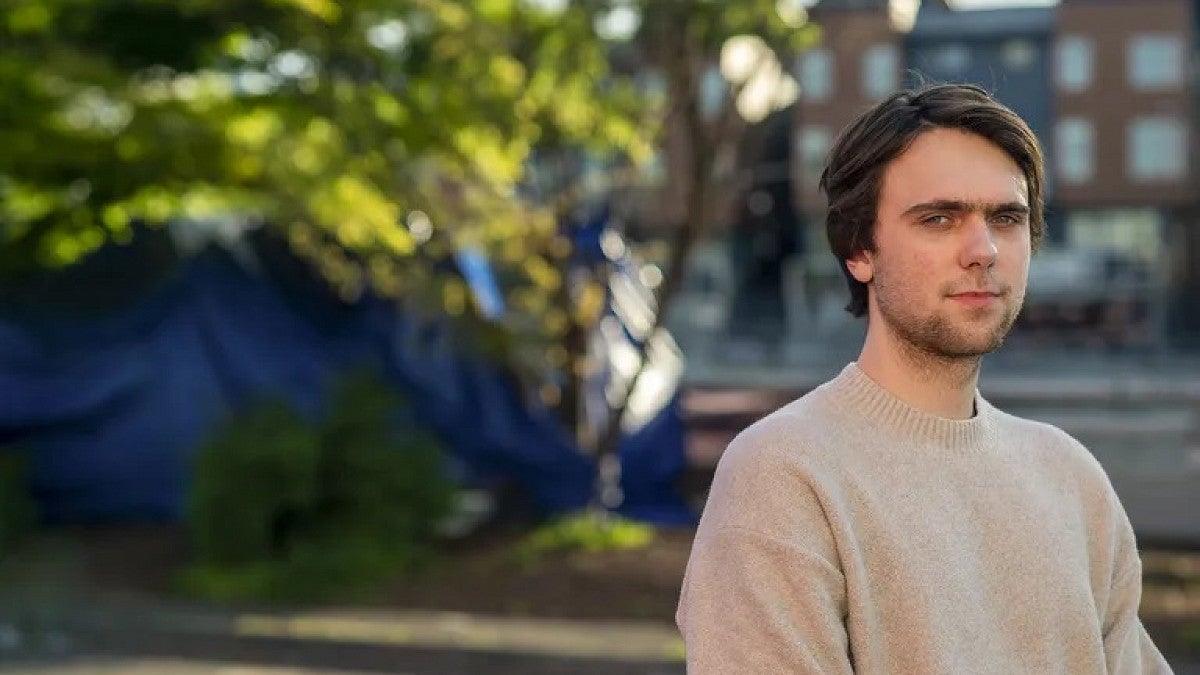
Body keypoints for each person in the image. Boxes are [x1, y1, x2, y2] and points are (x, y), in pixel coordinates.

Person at [675, 84, 1172, 673]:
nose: (983, 249)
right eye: (939, 218)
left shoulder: (1071, 478)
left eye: (1006, 218)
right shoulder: (783, 475)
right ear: (860, 250)